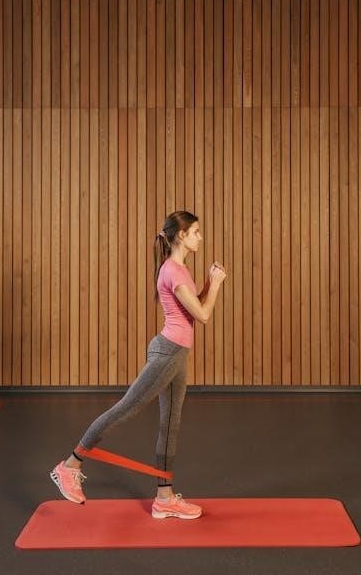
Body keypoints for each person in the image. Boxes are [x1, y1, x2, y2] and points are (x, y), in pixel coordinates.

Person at [50, 211, 226, 520]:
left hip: (177, 354)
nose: (200, 237)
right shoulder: (172, 271)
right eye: (196, 232)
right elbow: (203, 315)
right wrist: (216, 285)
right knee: (126, 408)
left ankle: (164, 497)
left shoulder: (180, 270)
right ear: (181, 235)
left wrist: (209, 283)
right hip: (167, 353)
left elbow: (191, 308)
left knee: (170, 423)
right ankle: (70, 465)